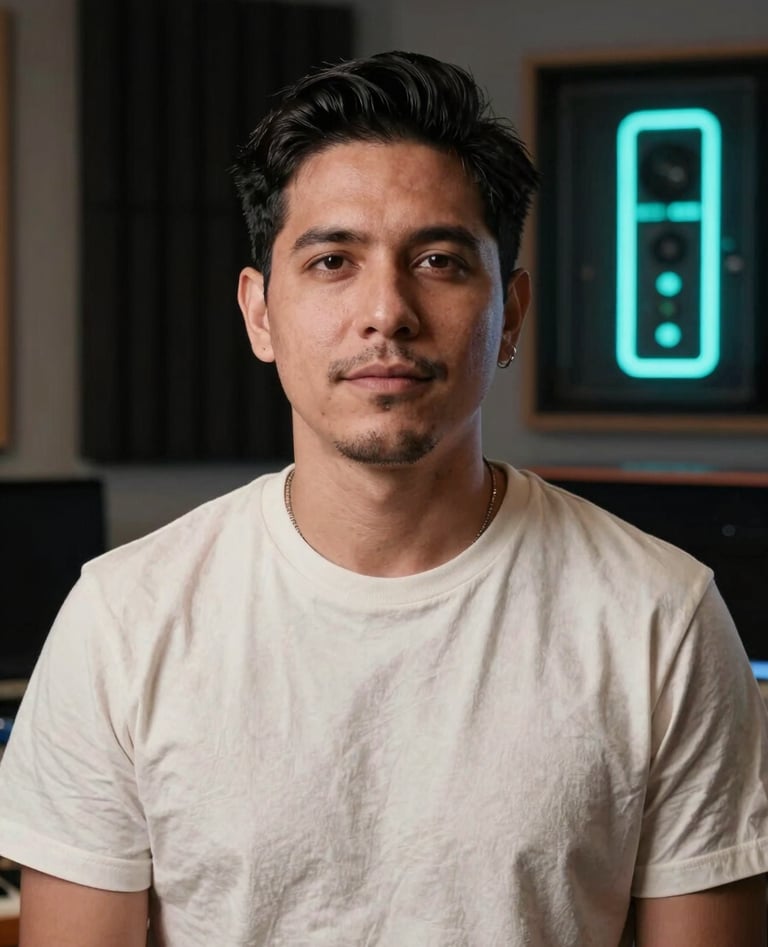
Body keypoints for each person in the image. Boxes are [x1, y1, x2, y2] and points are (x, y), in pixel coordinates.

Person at [0, 50, 766, 947]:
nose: (386, 312)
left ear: (509, 313)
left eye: (438, 259)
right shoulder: (121, 621)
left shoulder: (660, 617)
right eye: (332, 260)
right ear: (259, 312)